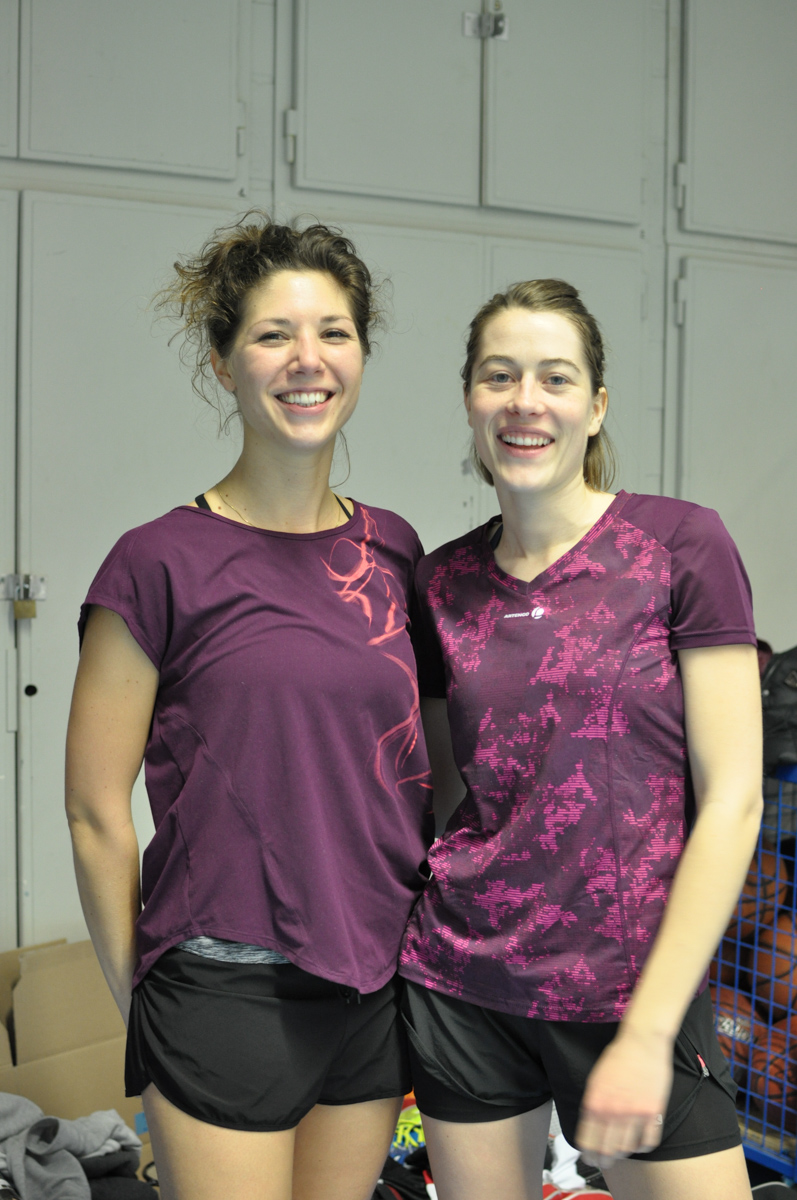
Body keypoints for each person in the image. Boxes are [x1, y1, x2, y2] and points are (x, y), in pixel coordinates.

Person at [65, 214, 433, 1200]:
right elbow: (94, 810)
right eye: (273, 335)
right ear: (223, 364)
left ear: (360, 354)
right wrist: (139, 1002)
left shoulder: (394, 552)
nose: (306, 360)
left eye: (332, 332)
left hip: (372, 980)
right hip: (224, 984)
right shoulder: (157, 564)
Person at [399, 280, 762, 1200]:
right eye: (499, 376)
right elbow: (447, 795)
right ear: (470, 400)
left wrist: (649, 1031)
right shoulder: (439, 581)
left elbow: (733, 799)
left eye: (554, 378)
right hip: (463, 984)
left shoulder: (680, 546)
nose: (525, 401)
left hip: (631, 989)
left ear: (595, 407)